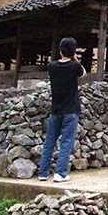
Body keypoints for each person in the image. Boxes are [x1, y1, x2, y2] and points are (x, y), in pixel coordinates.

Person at [39, 37, 86, 183]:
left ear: (60, 51)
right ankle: (60, 173)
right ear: (73, 51)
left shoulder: (52, 66)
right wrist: (75, 58)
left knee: (49, 141)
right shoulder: (74, 66)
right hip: (71, 109)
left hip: (56, 109)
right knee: (66, 141)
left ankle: (43, 173)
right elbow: (83, 73)